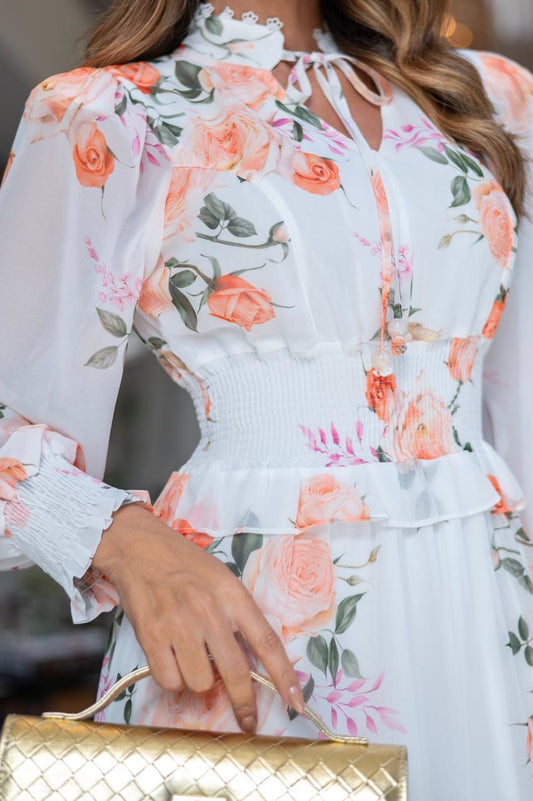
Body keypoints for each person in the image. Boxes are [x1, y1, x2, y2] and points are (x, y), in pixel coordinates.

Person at [1, 0, 533, 796]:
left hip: (485, 601)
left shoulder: (490, 98)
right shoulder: (107, 112)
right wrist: (121, 536)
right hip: (250, 620)